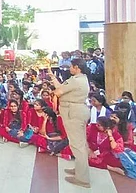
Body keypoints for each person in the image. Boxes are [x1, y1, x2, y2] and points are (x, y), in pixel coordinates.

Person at [48, 59, 91, 188]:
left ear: (76, 67)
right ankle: (79, 170)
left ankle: (82, 178)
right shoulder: (80, 78)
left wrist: (53, 92)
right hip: (77, 111)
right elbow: (62, 88)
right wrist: (52, 77)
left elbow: (59, 91)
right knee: (79, 143)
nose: (69, 68)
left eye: (71, 66)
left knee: (78, 145)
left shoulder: (76, 80)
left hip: (74, 113)